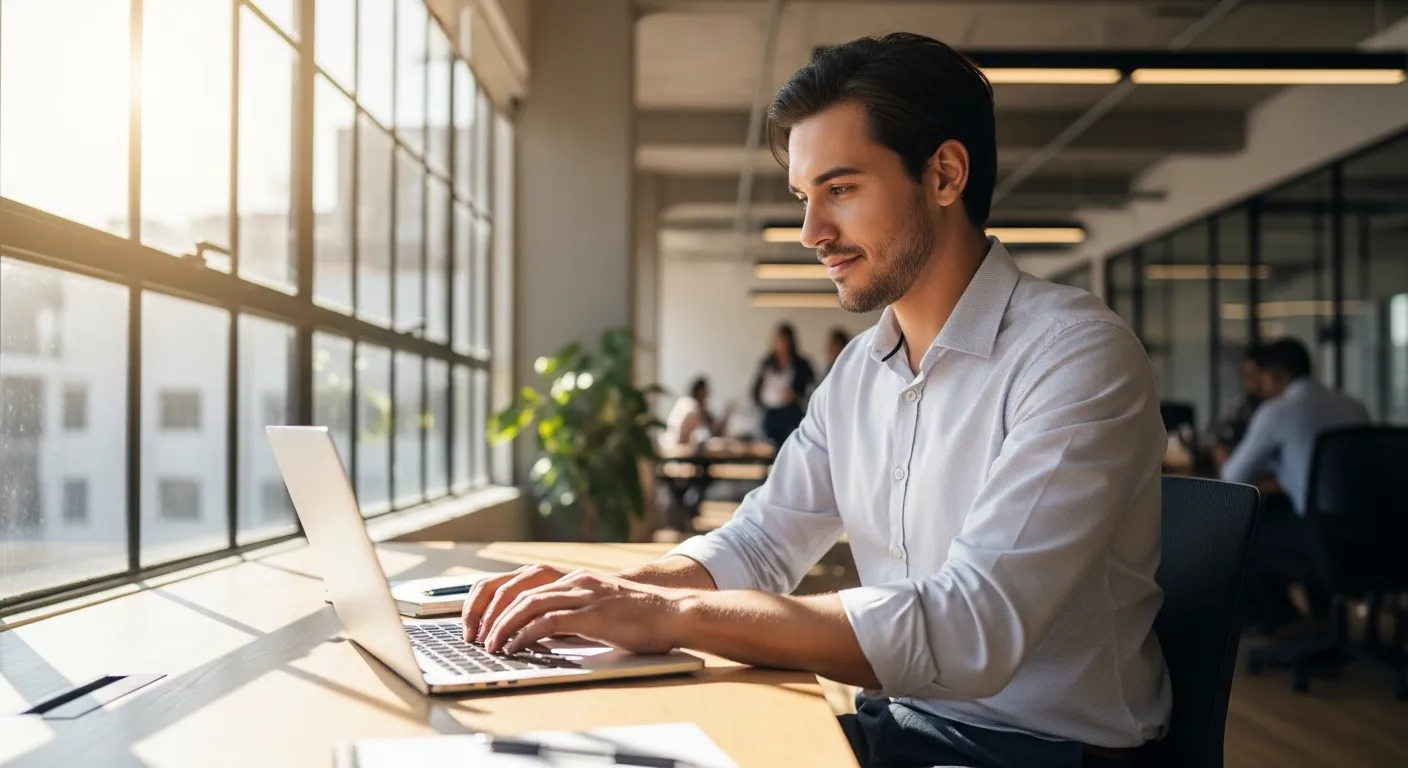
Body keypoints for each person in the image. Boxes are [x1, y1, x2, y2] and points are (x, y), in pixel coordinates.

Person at [461, 33, 1167, 768]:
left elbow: (970, 630)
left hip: (1036, 751)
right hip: (903, 727)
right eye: (804, 198)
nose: (811, 232)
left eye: (841, 189)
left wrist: (673, 615)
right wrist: (600, 592)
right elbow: (760, 546)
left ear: (945, 175)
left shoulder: (1075, 355)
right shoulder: (860, 372)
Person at [1220, 337, 1370, 632]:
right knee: (1287, 520)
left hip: (1318, 537)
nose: (1260, 388)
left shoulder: (1277, 411)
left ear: (1277, 376)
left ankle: (1286, 623)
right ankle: (1322, 621)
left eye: (1262, 379)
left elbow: (1232, 477)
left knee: (1236, 535)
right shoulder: (1355, 406)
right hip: (1370, 535)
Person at [750, 322, 815, 446]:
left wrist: (797, 396)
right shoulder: (766, 363)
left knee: (791, 446)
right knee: (771, 448)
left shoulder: (801, 365)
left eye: (782, 340)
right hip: (771, 414)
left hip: (791, 414)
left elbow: (812, 388)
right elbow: (755, 390)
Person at [1207, 347, 1266, 470]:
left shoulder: (1273, 411)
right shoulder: (1241, 409)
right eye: (1246, 376)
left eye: (1254, 376)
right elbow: (1217, 437)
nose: (1249, 383)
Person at [661, 376, 729, 449]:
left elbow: (712, 428)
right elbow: (682, 436)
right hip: (674, 449)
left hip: (673, 447)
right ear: (698, 392)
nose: (706, 398)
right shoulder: (691, 406)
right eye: (704, 394)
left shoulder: (686, 403)